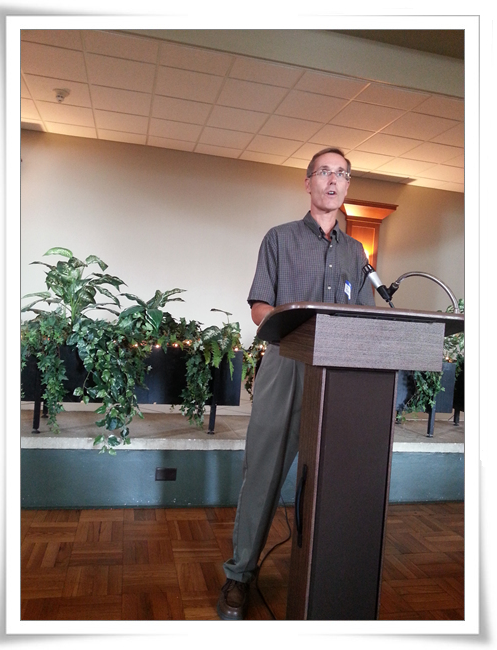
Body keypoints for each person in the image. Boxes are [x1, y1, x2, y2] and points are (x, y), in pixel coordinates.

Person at [217, 147, 375, 621]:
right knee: (263, 473)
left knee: (334, 477)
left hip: (340, 375)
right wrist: (295, 325)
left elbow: (365, 317)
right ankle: (239, 574)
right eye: (324, 172)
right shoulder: (280, 239)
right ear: (308, 183)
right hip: (287, 364)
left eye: (341, 173)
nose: (333, 180)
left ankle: (327, 572)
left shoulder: (356, 253)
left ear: (347, 186)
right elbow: (259, 307)